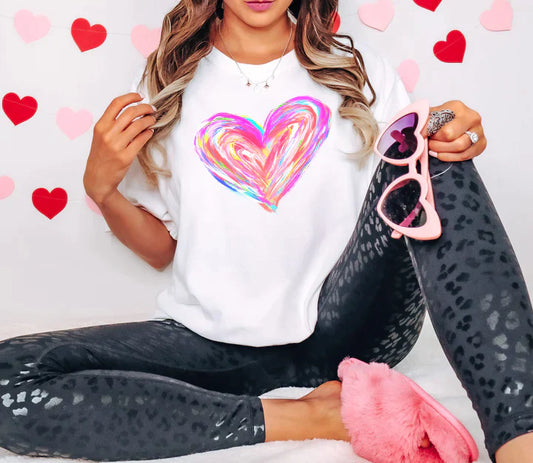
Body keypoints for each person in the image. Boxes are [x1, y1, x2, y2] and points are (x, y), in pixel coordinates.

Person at [0, 0, 531, 462]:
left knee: (429, 146)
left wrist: (451, 133)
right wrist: (103, 190)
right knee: (7, 379)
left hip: (352, 325)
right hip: (214, 342)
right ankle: (305, 417)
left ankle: (521, 441)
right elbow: (162, 251)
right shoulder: (162, 87)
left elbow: (408, 186)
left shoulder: (358, 70)